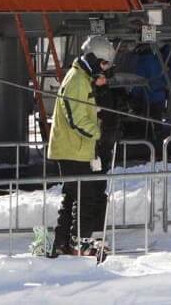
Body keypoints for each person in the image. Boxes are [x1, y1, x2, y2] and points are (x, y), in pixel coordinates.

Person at [47, 35, 114, 257]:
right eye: (104, 63)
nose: (104, 69)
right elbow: (76, 119)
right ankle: (81, 244)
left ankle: (60, 242)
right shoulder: (76, 80)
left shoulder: (82, 78)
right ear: (94, 58)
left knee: (72, 196)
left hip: (75, 149)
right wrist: (100, 133)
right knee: (84, 197)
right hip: (73, 150)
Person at [126, 42, 168, 150]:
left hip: (149, 96)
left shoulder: (142, 62)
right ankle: (161, 142)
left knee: (148, 119)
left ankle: (149, 144)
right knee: (157, 119)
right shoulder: (157, 59)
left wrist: (133, 96)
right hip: (160, 94)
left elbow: (138, 82)